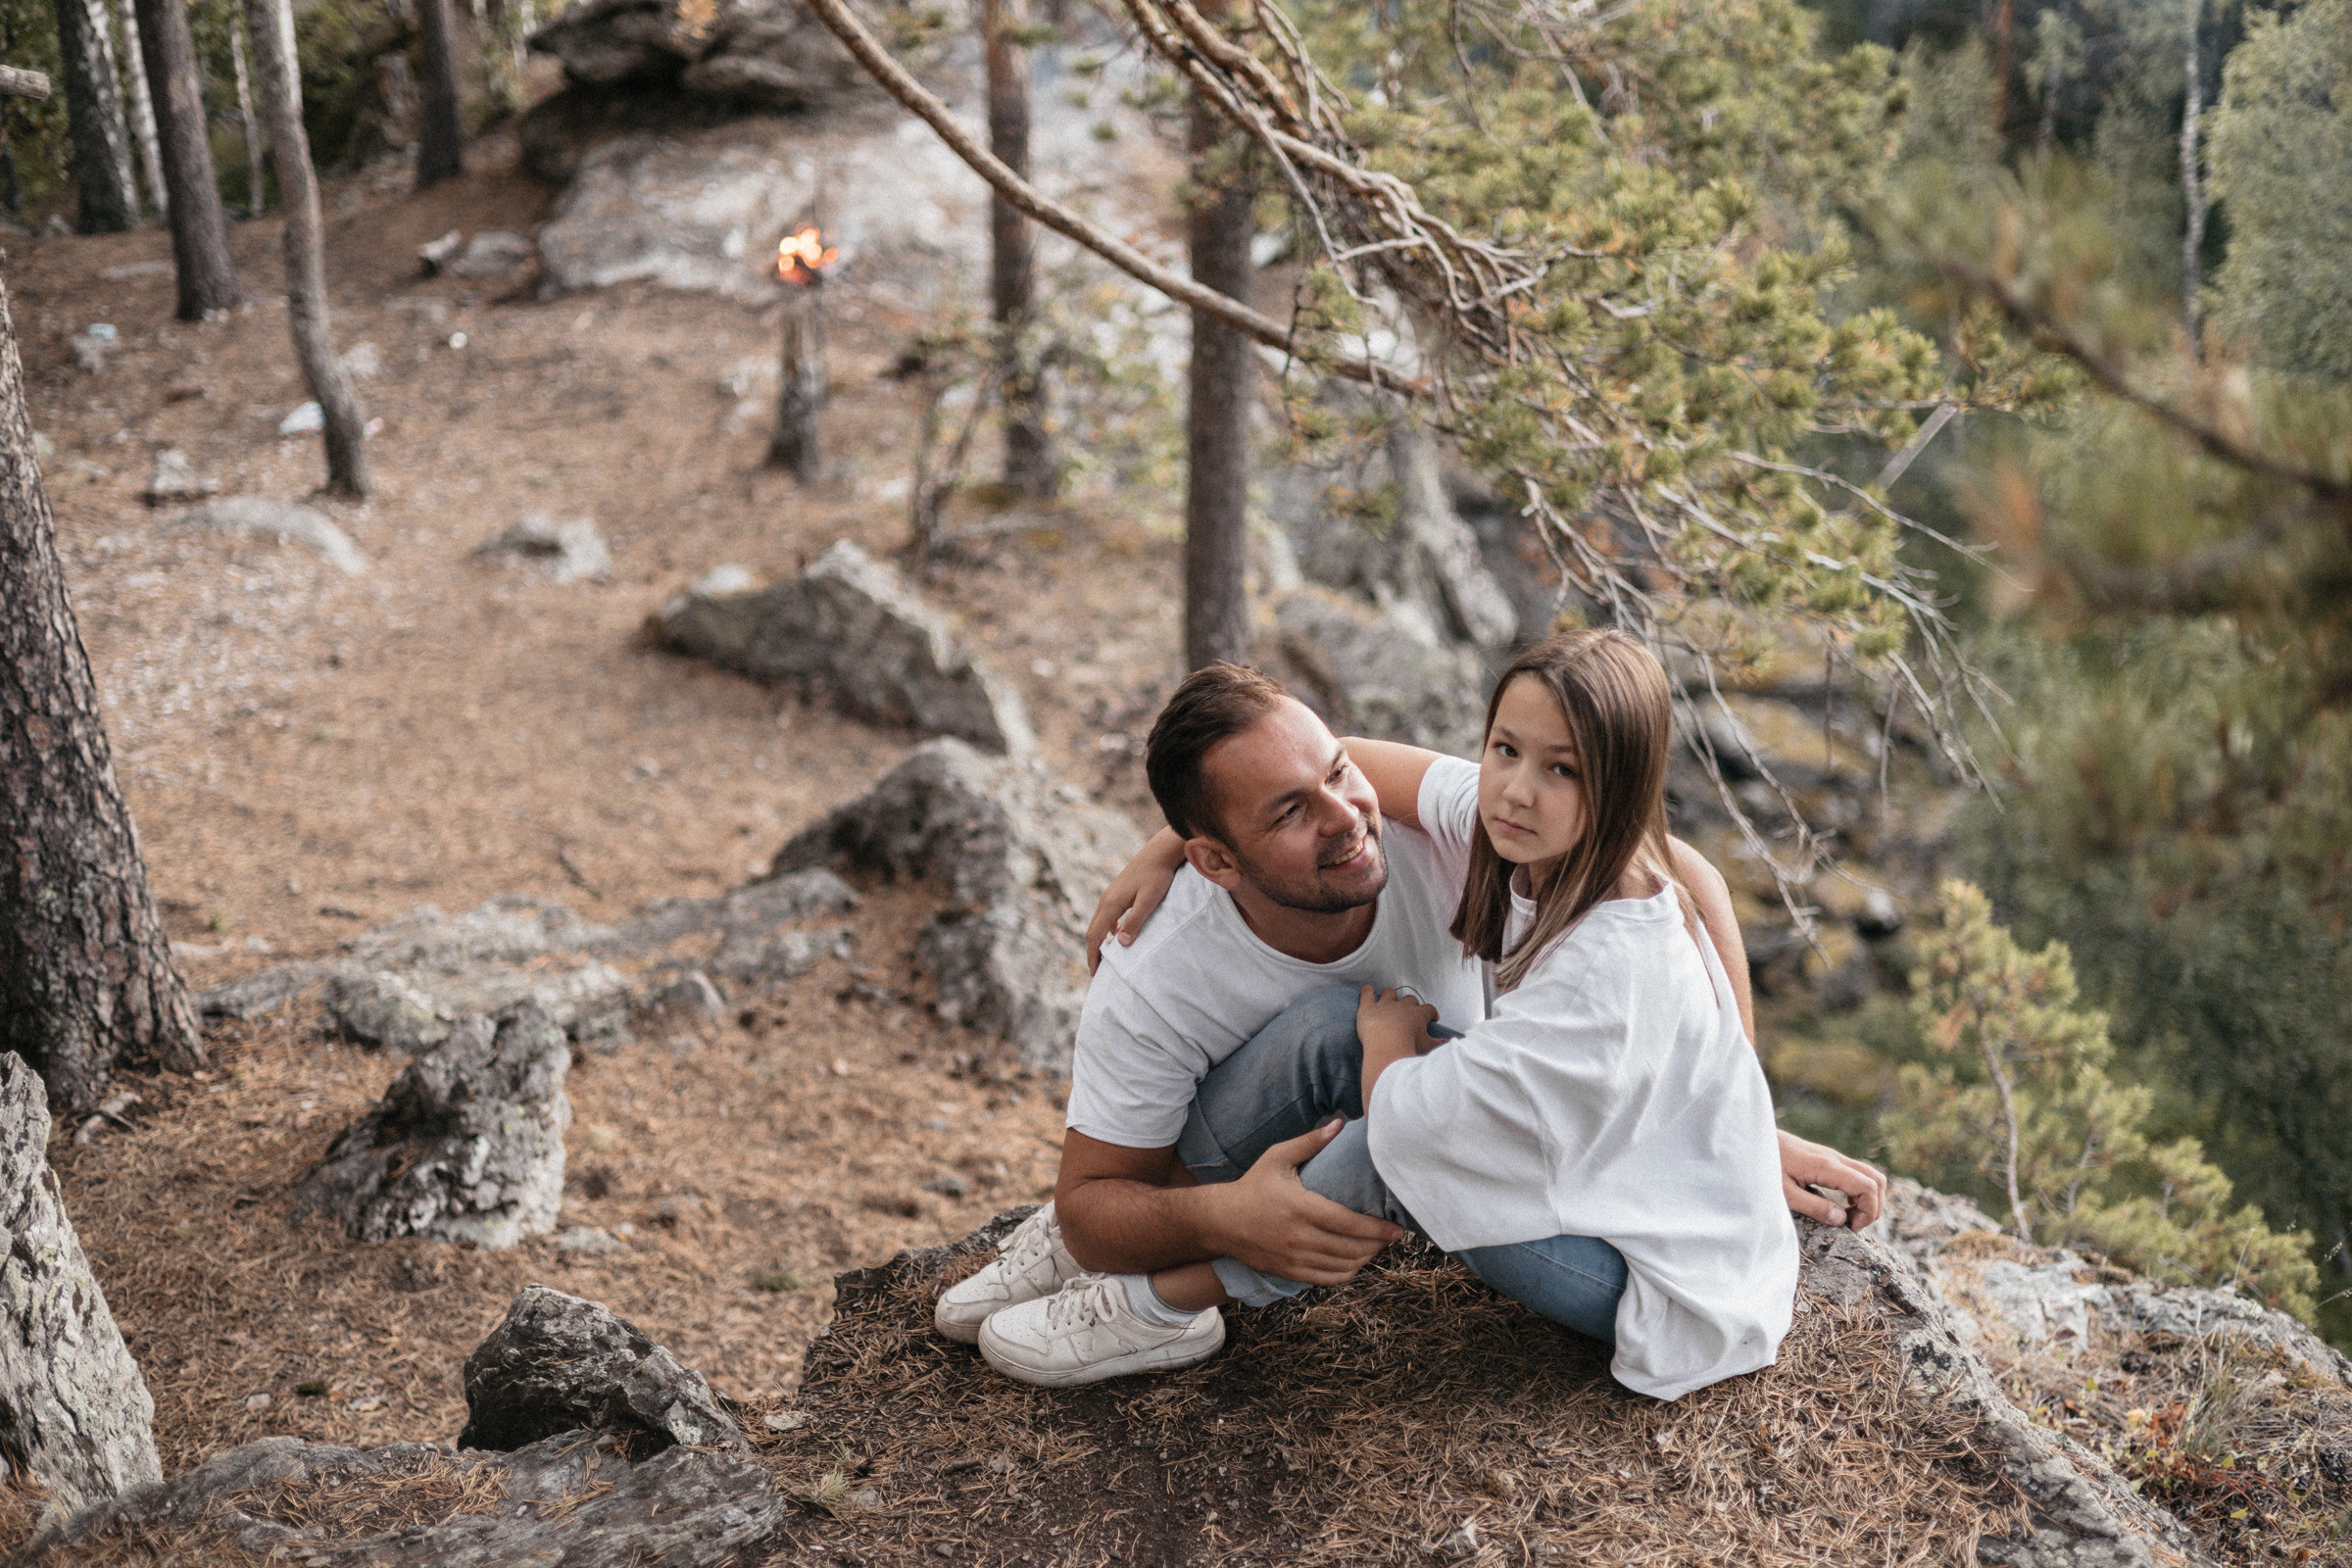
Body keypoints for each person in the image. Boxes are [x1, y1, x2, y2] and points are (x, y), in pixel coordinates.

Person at [935, 657, 1881, 1390]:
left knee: (1394, 1124)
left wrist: (1739, 1124)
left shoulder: (1517, 854)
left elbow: (1690, 881)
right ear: (1215, 859)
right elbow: (1098, 1197)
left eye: (1340, 775)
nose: (1350, 816)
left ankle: (1164, 1300)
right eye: (1291, 813)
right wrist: (1229, 1216)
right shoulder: (1156, 964)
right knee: (1329, 1031)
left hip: (1611, 1251)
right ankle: (1135, 1246)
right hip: (1339, 1133)